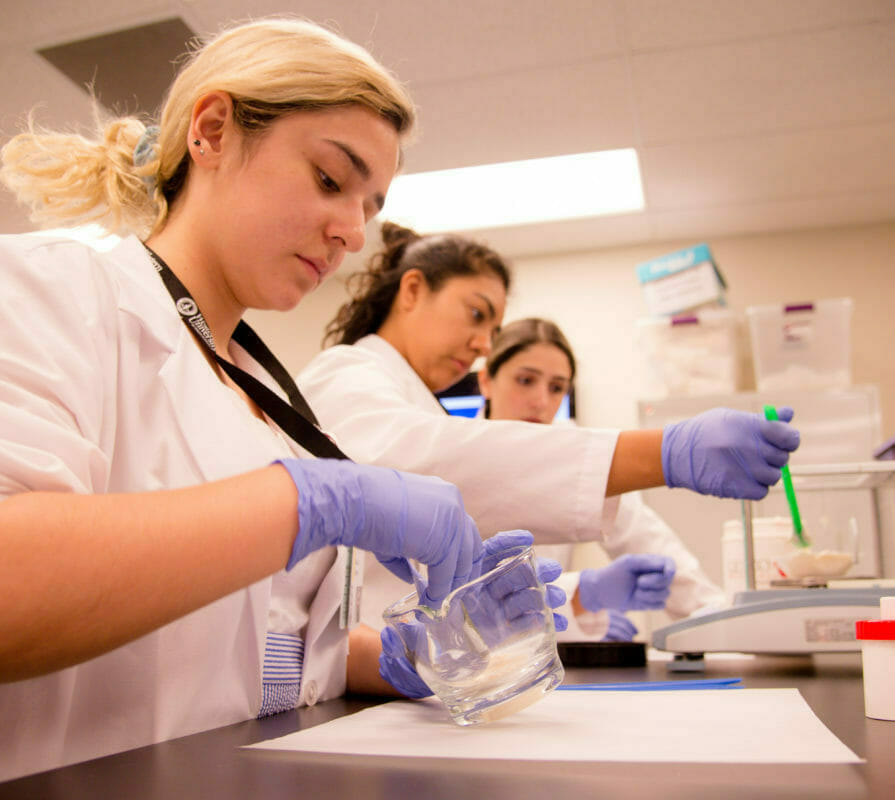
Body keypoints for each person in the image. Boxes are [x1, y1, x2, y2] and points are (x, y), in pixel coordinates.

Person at [0, 18, 554, 781]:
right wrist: (307, 504)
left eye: (368, 206)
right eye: (330, 179)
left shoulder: (271, 399)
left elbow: (247, 640)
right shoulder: (51, 291)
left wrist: (400, 658)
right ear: (212, 131)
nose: (353, 233)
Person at [297, 222, 800, 669]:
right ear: (412, 290)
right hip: (358, 669)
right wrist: (661, 453)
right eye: (476, 313)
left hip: (420, 675)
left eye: (493, 329)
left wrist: (728, 625)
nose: (483, 344)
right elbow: (414, 468)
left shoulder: (421, 407)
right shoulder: (347, 372)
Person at [477, 316, 729, 642]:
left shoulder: (571, 454)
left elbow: (647, 539)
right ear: (486, 381)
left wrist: (720, 621)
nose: (541, 402)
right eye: (525, 380)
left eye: (556, 388)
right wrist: (582, 598)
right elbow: (460, 601)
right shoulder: (452, 457)